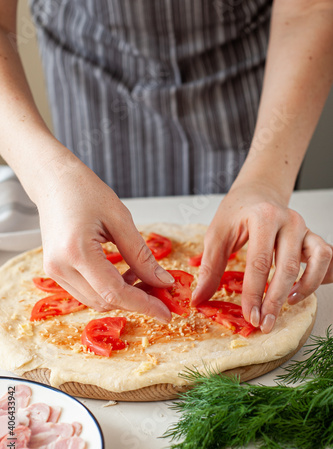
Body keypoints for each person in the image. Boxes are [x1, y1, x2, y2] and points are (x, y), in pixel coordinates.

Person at [0, 0, 332, 334]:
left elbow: (311, 8)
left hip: (247, 86)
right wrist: (51, 177)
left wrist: (265, 183)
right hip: (91, 80)